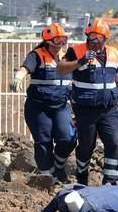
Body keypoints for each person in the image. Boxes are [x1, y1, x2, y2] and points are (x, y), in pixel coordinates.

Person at [57, 18, 118, 185]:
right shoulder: (76, 51)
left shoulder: (113, 53)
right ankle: (82, 175)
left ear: (105, 38)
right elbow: (60, 69)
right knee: (86, 146)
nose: (93, 42)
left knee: (113, 142)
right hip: (85, 108)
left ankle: (110, 182)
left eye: (97, 39)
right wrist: (80, 61)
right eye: (90, 38)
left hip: (109, 108)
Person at [10, 23, 75, 183]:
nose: (59, 46)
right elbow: (26, 67)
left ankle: (58, 166)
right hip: (39, 107)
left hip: (61, 106)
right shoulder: (37, 55)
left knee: (68, 138)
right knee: (43, 142)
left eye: (63, 42)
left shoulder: (68, 57)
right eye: (56, 42)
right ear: (48, 42)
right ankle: (48, 177)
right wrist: (19, 76)